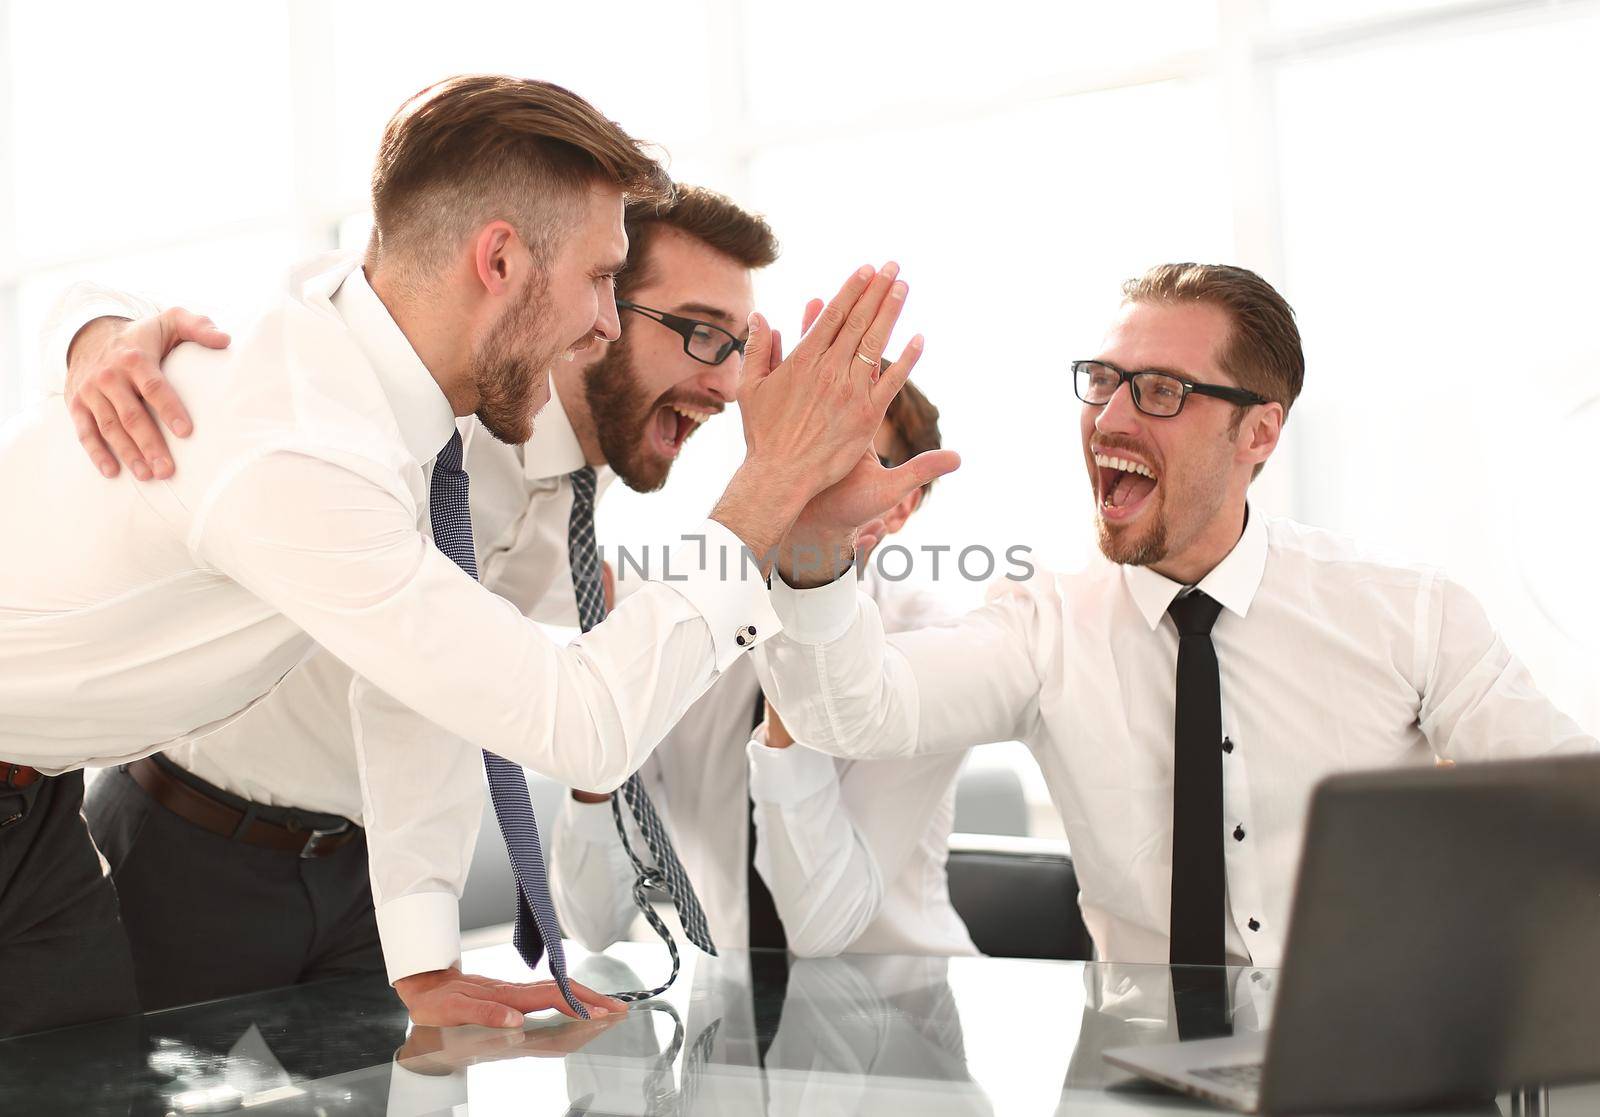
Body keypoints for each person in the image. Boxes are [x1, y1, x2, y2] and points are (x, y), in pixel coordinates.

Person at [0, 74, 952, 1037]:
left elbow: (411, 689)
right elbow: (579, 724)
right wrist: (770, 486)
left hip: (40, 808)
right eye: (598, 280)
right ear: (499, 260)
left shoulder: (387, 402)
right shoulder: (315, 450)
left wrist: (423, 954)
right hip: (173, 829)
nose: (604, 324)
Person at [46, 185, 786, 1013]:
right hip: (194, 848)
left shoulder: (580, 500)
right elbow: (285, 308)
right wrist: (95, 333)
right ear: (599, 305)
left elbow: (441, 687)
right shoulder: (430, 412)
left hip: (377, 882)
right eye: (700, 334)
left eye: (740, 346)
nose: (726, 385)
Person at [754, 261, 1596, 975]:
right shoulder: (1042, 620)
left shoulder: (1409, 613)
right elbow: (850, 709)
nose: (1111, 419)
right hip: (1136, 1077)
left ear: (1258, 432)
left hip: (1372, 1067)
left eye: (1161, 391)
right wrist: (817, 542)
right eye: (1104, 381)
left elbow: (1572, 804)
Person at [551, 375, 979, 959]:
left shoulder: (934, 646)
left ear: (901, 504)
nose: (806, 485)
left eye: (844, 462)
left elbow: (821, 923)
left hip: (904, 1013)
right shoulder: (681, 631)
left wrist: (795, 633)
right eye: (788, 453)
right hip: (728, 1033)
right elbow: (593, 922)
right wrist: (600, 706)